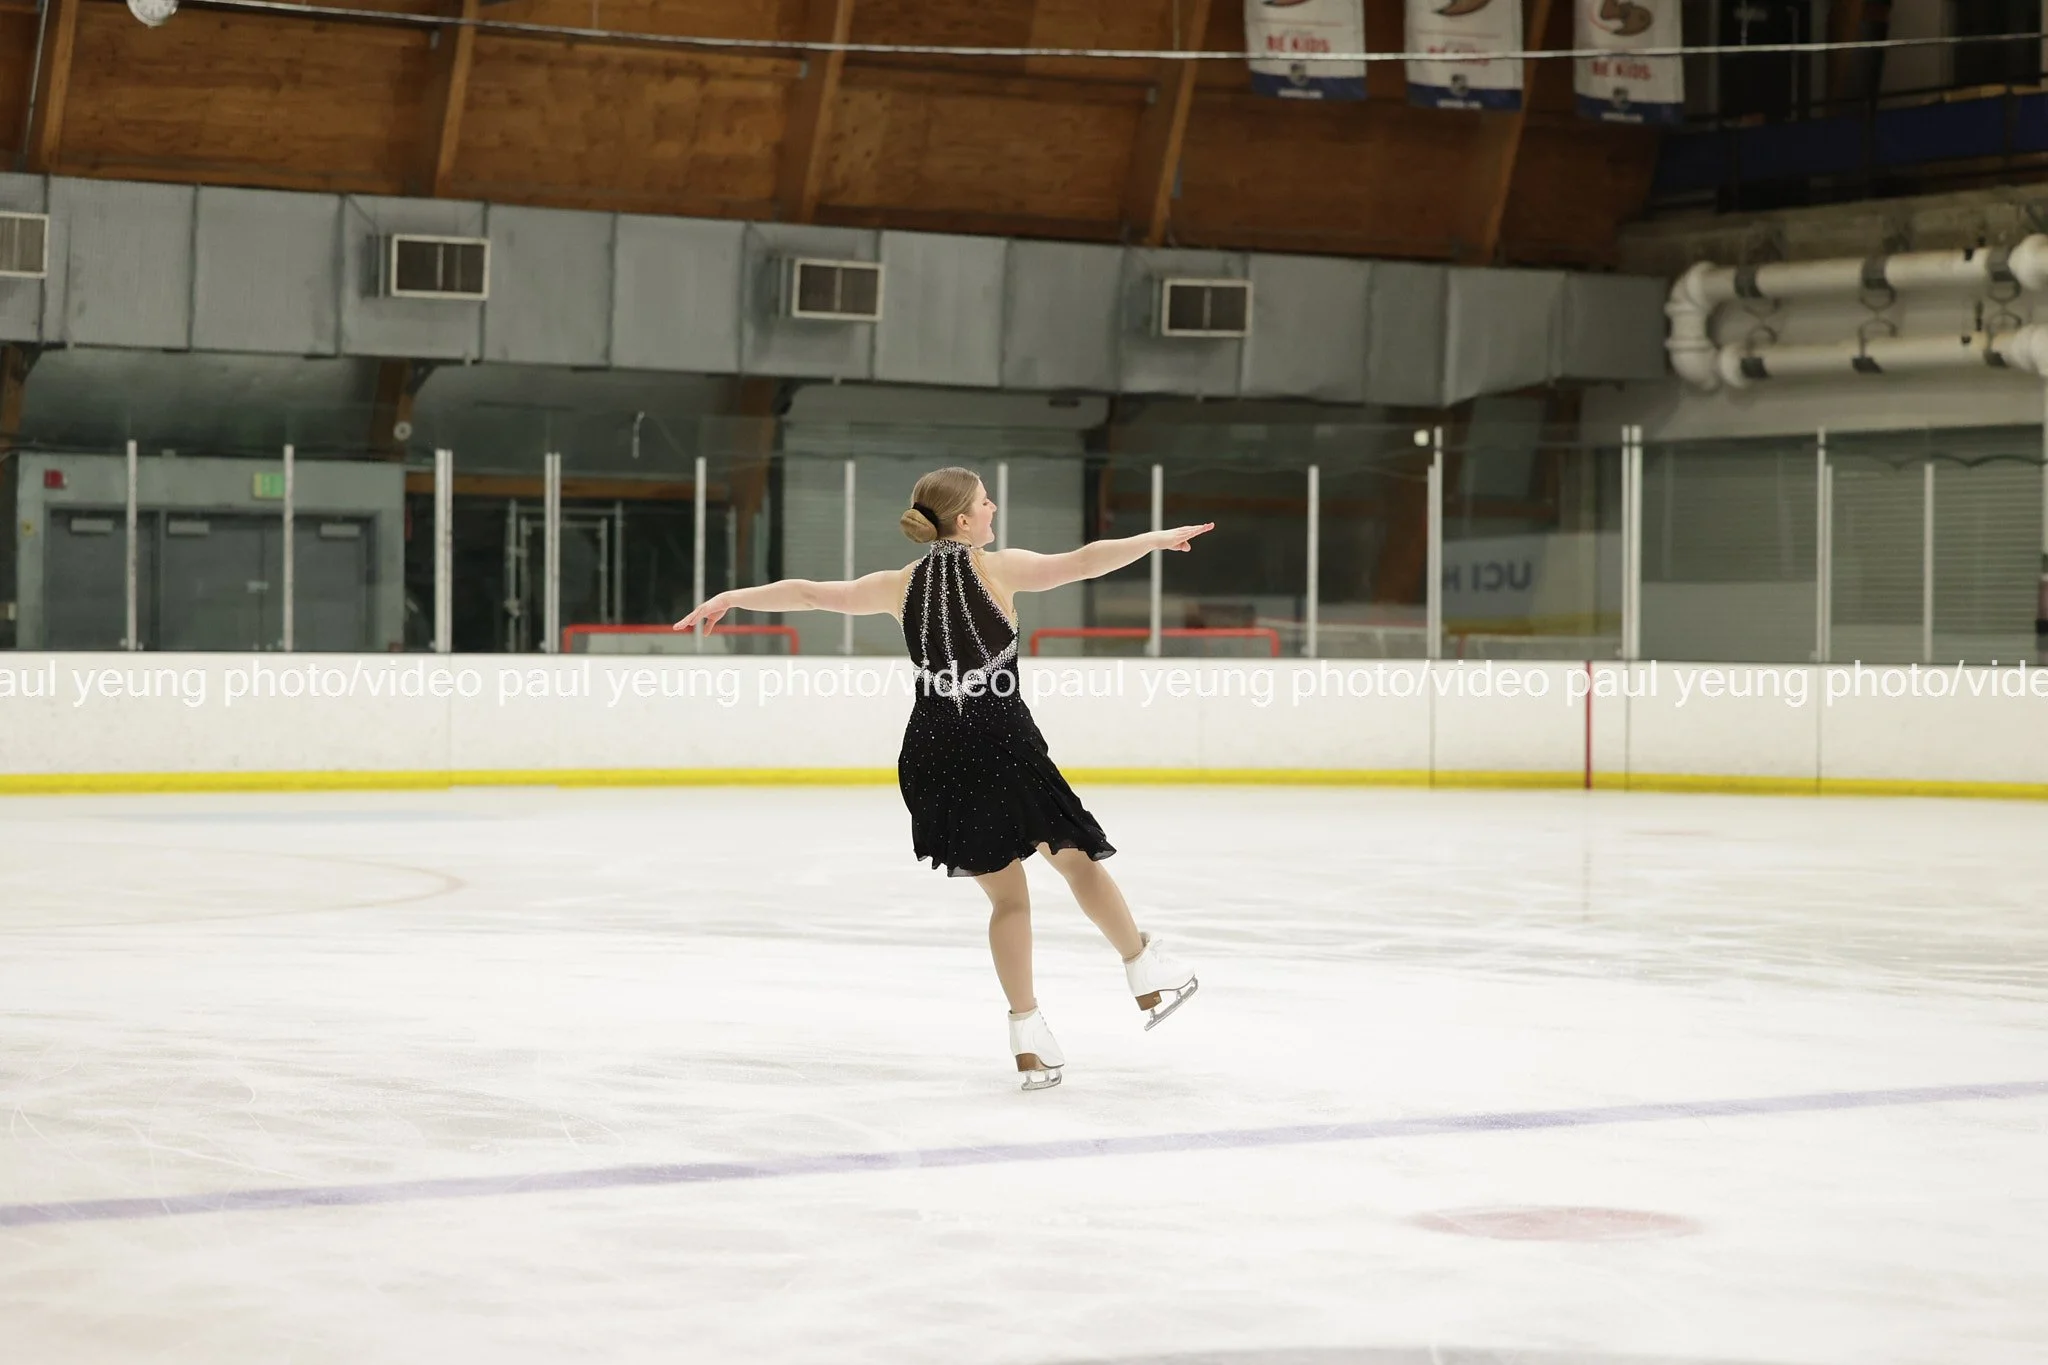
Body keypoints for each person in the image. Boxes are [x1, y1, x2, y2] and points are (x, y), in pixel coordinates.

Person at [673, 466, 1214, 1091]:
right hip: (1001, 742)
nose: (993, 508)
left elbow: (810, 593)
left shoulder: (898, 584)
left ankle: (1029, 1035)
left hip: (933, 753)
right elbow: (1085, 561)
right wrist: (1154, 540)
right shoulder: (998, 570)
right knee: (1074, 857)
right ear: (962, 520)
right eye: (984, 502)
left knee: (1008, 899)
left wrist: (733, 596)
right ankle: (1142, 969)